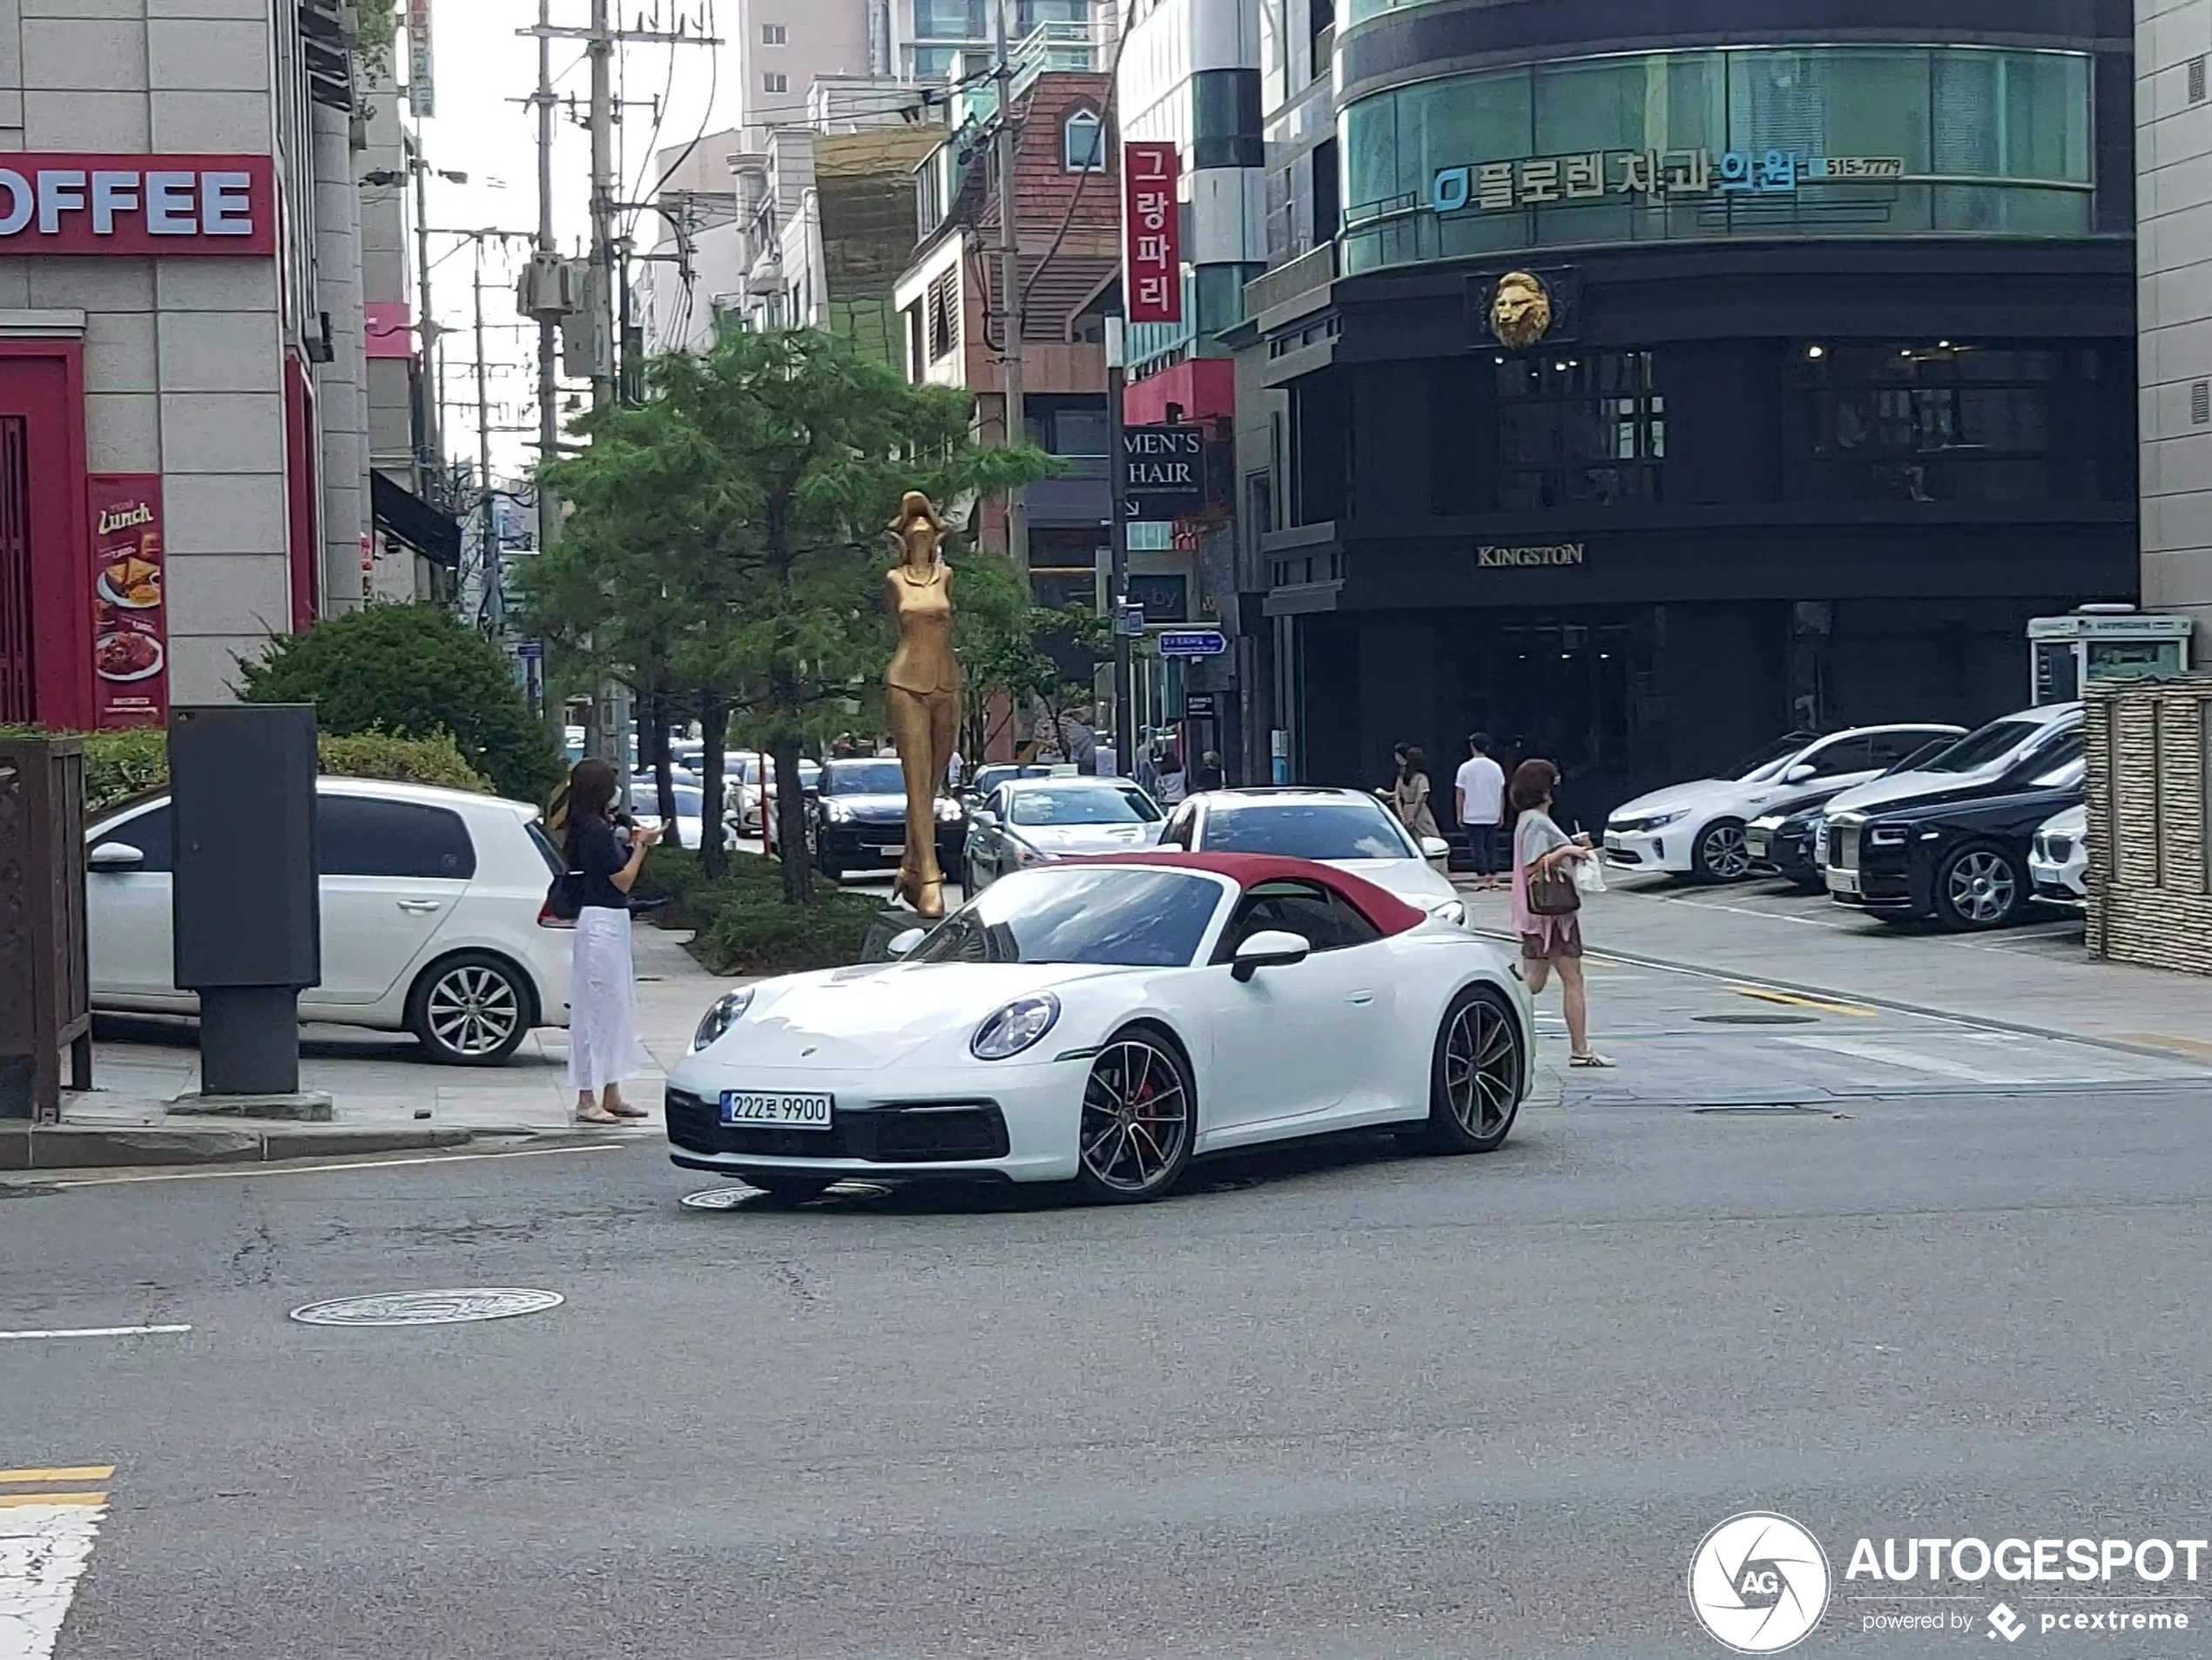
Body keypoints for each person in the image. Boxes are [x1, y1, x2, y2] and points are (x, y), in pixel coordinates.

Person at [563, 758, 664, 1124]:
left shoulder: (598, 826)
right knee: (595, 1011)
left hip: (613, 921)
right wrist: (641, 848)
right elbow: (621, 879)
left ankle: (612, 1091)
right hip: (600, 922)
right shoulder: (593, 831)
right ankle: (587, 1098)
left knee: (617, 1007)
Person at [1508, 758, 1611, 1069]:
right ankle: (1580, 1049)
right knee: (1573, 979)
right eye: (1553, 782)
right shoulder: (1537, 822)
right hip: (1554, 917)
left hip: (1536, 915)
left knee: (1533, 982)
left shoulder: (1528, 819)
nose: (1557, 788)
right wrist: (1567, 851)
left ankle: (1500, 1027)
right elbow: (1532, 866)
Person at [1455, 732, 1507, 889]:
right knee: (1491, 846)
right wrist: (1501, 812)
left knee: (1477, 846)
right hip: (1491, 811)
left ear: (1472, 746)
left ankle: (1483, 876)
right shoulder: (1496, 767)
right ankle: (1493, 875)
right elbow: (1501, 792)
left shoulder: (1465, 768)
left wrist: (1459, 814)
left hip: (1472, 813)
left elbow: (1460, 793)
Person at [1392, 745, 1442, 841]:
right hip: (1420, 811)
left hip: (1406, 808)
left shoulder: (1401, 777)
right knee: (1432, 836)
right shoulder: (1421, 777)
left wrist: (1402, 814)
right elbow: (1420, 797)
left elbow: (1397, 796)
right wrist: (1413, 815)